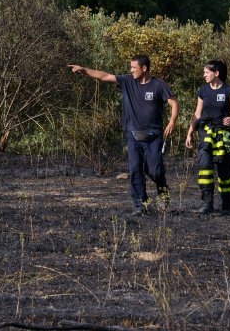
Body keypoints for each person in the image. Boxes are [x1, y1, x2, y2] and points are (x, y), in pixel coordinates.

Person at [68, 56, 178, 216]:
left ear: (144, 68)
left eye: (134, 67)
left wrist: (172, 122)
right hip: (133, 135)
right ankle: (141, 206)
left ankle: (163, 192)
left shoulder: (158, 85)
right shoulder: (127, 81)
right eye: (131, 67)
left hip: (154, 136)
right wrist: (84, 70)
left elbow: (174, 103)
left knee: (155, 171)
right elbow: (104, 76)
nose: (131, 70)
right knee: (135, 170)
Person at [184, 59, 230, 214]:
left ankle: (226, 204)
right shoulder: (203, 91)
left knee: (224, 170)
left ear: (216, 73)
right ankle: (207, 203)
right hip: (206, 132)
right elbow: (197, 114)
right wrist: (190, 132)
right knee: (204, 165)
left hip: (224, 135)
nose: (204, 75)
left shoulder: (228, 90)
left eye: (206, 72)